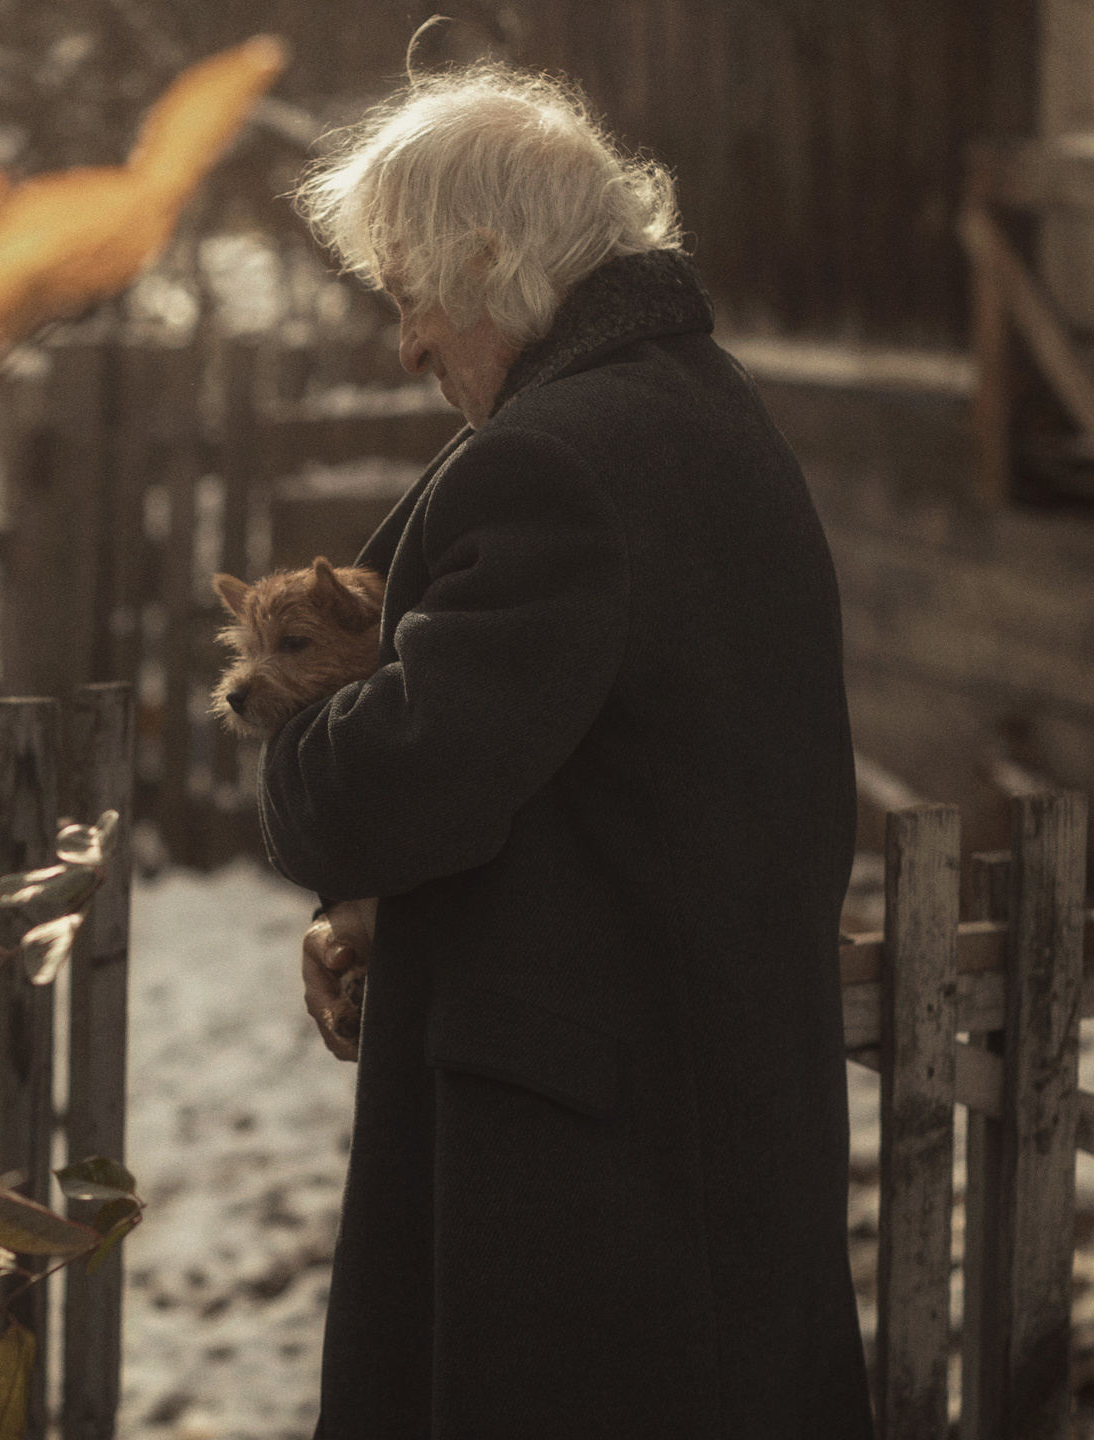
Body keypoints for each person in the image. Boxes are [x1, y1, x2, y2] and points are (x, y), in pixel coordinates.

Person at [263, 62, 875, 1438]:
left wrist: (301, 744)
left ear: (491, 260)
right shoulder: (701, 405)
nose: (408, 343)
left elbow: (387, 788)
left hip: (588, 1170)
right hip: (697, 1123)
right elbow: (577, 766)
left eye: (410, 291)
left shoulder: (554, 463)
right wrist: (374, 916)